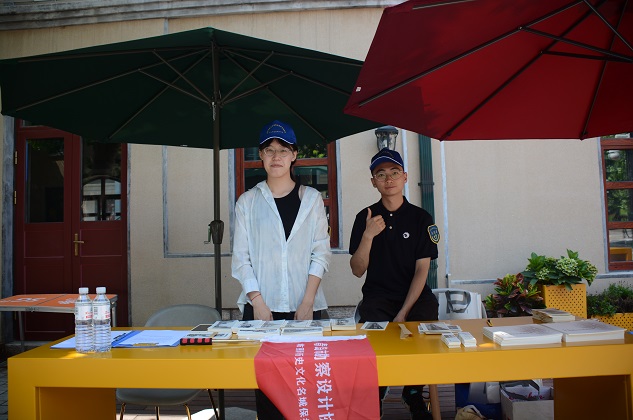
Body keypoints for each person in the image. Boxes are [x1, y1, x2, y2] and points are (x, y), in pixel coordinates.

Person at [232, 120, 331, 420]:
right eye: (269, 150)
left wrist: (308, 301)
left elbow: (321, 252)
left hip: (306, 309)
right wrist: (258, 303)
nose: (276, 156)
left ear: (294, 155)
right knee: (269, 395)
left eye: (283, 150)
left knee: (308, 389)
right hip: (262, 310)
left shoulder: (312, 199)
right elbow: (241, 259)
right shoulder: (248, 202)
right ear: (261, 156)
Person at [349, 148, 440, 420]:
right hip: (378, 298)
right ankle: (377, 389)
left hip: (415, 296)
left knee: (424, 327)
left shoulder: (421, 218)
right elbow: (357, 270)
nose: (389, 179)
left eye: (394, 172)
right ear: (373, 182)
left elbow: (422, 270)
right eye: (381, 174)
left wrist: (403, 313)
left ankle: (413, 392)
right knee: (376, 337)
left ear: (405, 177)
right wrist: (368, 236)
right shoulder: (364, 217)